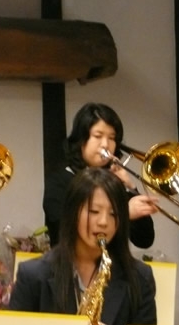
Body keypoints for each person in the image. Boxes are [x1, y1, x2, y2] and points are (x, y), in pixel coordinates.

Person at [11, 168, 156, 325]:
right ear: (73, 212)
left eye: (113, 214)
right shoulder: (33, 275)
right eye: (94, 212)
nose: (103, 222)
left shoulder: (140, 277)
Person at [43, 102, 158, 248]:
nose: (105, 144)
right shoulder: (60, 180)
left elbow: (145, 240)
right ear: (81, 140)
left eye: (112, 138)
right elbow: (63, 229)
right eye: (98, 136)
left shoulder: (114, 182)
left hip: (114, 262)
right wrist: (123, 214)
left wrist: (130, 188)